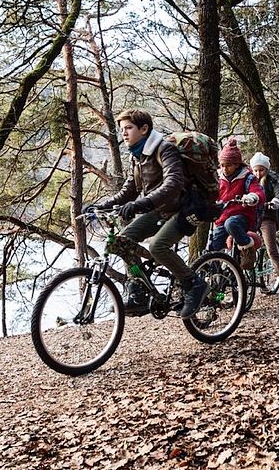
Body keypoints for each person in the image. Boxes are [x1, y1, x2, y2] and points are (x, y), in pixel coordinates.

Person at [89, 109, 207, 318]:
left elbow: (173, 183)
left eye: (128, 128)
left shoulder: (165, 150)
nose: (124, 133)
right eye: (122, 129)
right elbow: (129, 190)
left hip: (183, 208)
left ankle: (194, 284)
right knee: (122, 241)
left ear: (144, 129)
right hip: (159, 210)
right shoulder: (138, 156)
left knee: (157, 246)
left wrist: (141, 204)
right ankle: (140, 292)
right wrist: (100, 205)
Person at [207, 139, 264, 268]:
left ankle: (248, 248)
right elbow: (211, 192)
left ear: (237, 164)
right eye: (222, 165)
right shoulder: (218, 178)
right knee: (215, 244)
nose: (224, 169)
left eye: (228, 165)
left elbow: (259, 193)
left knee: (231, 223)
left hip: (242, 216)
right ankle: (217, 275)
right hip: (222, 217)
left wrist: (252, 197)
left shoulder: (248, 177)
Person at [249, 151, 279, 299]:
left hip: (267, 217)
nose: (258, 173)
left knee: (272, 251)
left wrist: (276, 201)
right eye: (255, 170)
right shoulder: (249, 179)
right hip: (251, 216)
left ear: (267, 169)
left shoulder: (272, 178)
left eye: (261, 170)